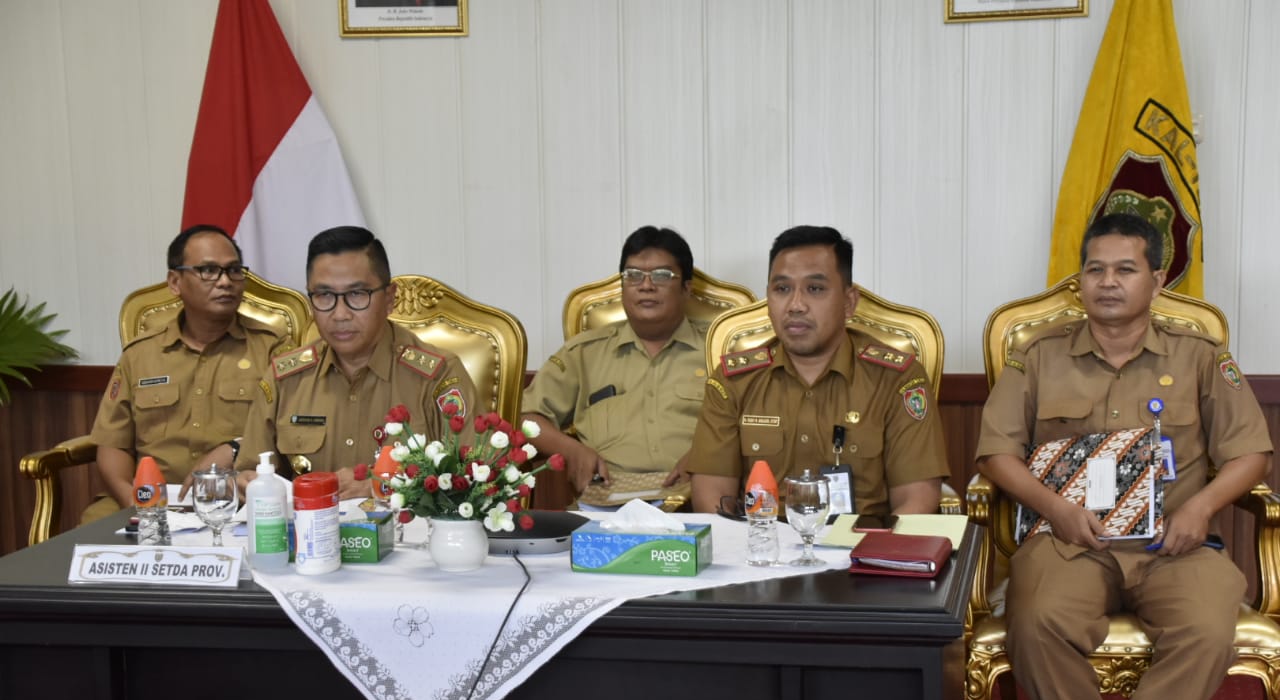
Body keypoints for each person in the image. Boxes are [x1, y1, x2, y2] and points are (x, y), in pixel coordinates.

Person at [975, 212, 1273, 700]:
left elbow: (1252, 454)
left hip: (1176, 544)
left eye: (1125, 269)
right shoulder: (1038, 356)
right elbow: (996, 455)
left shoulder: (1200, 357)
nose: (1107, 282)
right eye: (1095, 269)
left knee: (1206, 622)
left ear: (1157, 280)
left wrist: (1202, 508)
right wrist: (1054, 508)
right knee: (1038, 616)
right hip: (1073, 540)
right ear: (1079, 279)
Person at [687, 225, 948, 515]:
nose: (796, 305)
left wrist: (870, 557)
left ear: (849, 303)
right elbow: (711, 496)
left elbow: (916, 500)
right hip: (762, 547)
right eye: (782, 289)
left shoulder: (896, 379)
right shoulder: (734, 381)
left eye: (815, 289)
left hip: (861, 547)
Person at [236, 226, 478, 499]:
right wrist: (248, 484)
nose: (340, 314)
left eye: (357, 295)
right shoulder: (285, 378)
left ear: (389, 299)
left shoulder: (438, 376)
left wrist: (384, 487)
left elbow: (473, 479)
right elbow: (249, 473)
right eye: (324, 296)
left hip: (406, 538)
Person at [84, 224, 293, 523]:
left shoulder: (272, 349)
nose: (225, 282)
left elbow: (290, 430)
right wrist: (135, 503)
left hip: (234, 498)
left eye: (234, 270)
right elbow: (112, 443)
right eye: (208, 270)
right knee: (87, 539)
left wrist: (233, 448)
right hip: (149, 500)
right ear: (175, 281)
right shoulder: (139, 355)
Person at [522, 226, 707, 507]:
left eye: (661, 275)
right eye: (633, 276)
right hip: (605, 505)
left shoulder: (717, 350)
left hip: (695, 501)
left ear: (686, 287)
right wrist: (571, 450)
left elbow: (753, 425)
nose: (646, 285)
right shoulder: (584, 354)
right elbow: (525, 419)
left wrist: (707, 456)